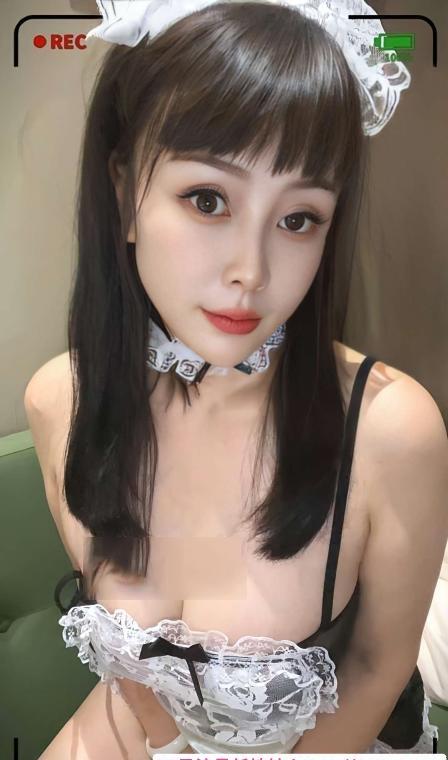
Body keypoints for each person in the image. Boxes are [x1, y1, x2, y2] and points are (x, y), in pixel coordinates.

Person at [24, 0, 448, 757]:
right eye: (208, 200)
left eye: (299, 218)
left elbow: (377, 668)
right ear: (123, 193)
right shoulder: (61, 398)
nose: (251, 272)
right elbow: (134, 675)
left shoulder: (391, 428)